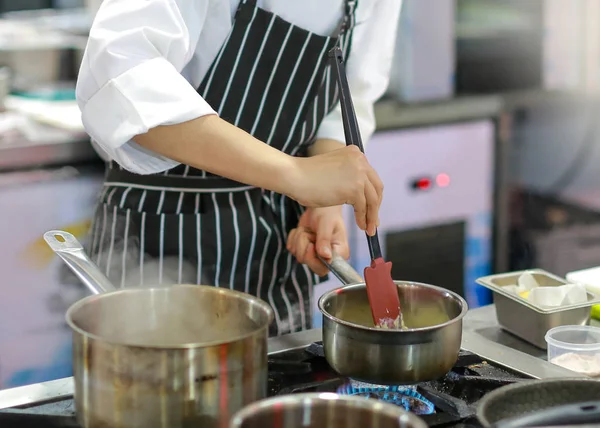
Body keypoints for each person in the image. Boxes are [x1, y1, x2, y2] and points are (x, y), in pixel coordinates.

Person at [76, 0, 402, 336]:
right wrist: (296, 175)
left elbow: (346, 101)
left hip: (276, 248)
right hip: (157, 231)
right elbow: (120, 76)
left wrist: (324, 201)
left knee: (281, 382)